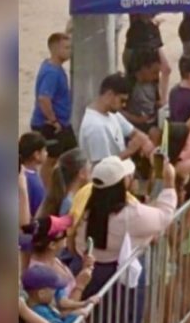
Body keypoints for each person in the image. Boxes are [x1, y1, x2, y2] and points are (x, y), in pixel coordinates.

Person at [76, 156, 177, 323]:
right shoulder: (131, 215)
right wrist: (169, 183)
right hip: (122, 280)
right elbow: (164, 217)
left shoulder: (87, 212)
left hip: (92, 275)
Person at [78, 73, 154, 164]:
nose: (124, 105)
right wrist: (130, 151)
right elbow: (102, 168)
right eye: (122, 101)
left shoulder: (112, 113)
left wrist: (146, 143)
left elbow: (134, 132)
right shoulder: (95, 127)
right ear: (109, 95)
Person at [31, 33, 76, 181]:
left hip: (63, 123)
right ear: (55, 49)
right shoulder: (51, 72)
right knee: (50, 160)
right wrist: (53, 120)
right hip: (51, 125)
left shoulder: (55, 67)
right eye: (66, 47)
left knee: (73, 155)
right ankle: (48, 194)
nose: (70, 51)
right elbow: (44, 98)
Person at [19, 132, 48, 217]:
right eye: (45, 150)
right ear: (37, 155)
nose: (46, 153)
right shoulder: (34, 183)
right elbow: (40, 212)